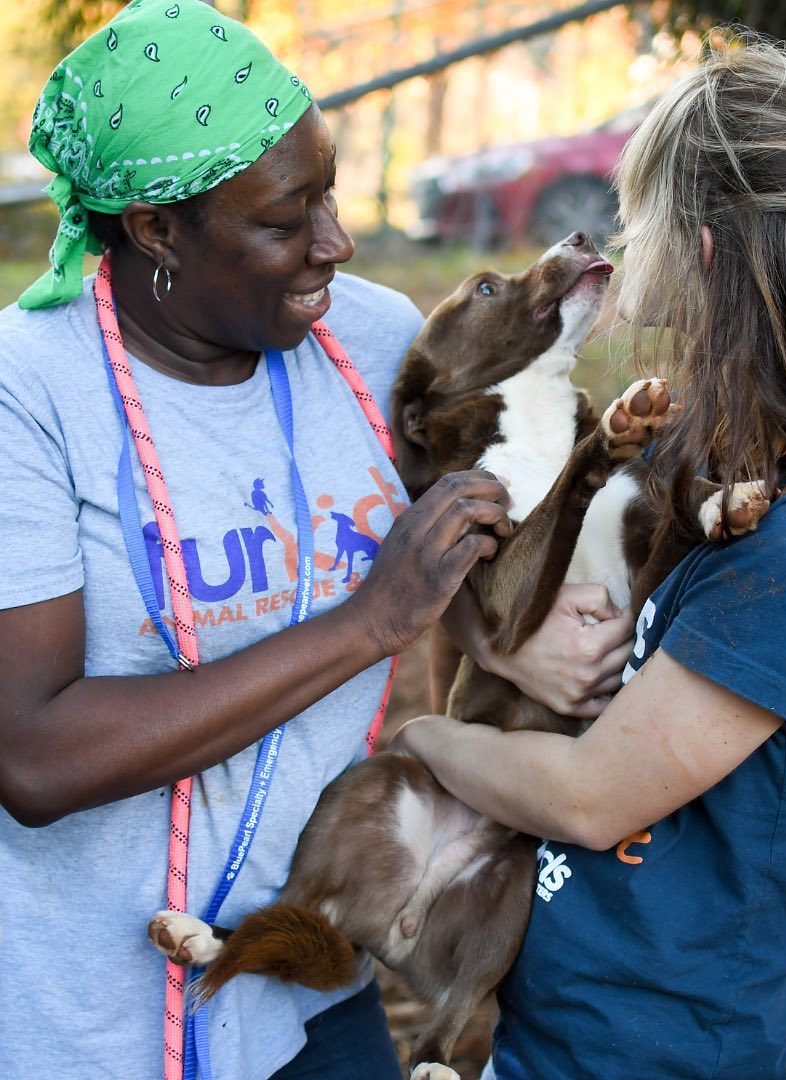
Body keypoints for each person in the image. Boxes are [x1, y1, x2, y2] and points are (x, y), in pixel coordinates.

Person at [0, 2, 632, 1078]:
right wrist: (367, 622)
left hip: (305, 975)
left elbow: (480, 541)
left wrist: (510, 638)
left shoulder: (369, 340)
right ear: (155, 227)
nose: (334, 241)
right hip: (81, 1013)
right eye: (287, 218)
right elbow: (35, 755)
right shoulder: (31, 393)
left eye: (329, 190)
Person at [394, 37, 786, 1079]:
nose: (616, 238)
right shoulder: (721, 453)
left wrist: (418, 741)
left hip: (672, 1046)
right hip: (588, 1014)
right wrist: (502, 653)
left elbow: (594, 796)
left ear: (707, 255)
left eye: (637, 218)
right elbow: (499, 568)